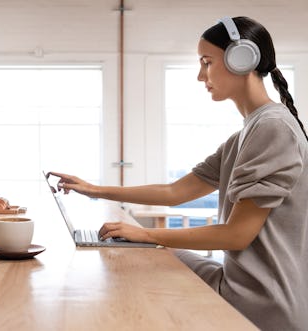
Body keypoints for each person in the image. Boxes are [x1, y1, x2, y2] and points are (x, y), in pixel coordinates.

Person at [48, 16, 308, 331]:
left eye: (207, 62)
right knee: (149, 255)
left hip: (264, 305)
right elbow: (176, 192)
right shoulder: (246, 135)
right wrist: (95, 189)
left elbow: (237, 235)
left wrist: (146, 234)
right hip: (244, 288)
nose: (201, 76)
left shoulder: (272, 127)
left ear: (242, 59)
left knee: (146, 258)